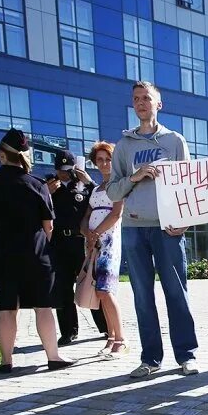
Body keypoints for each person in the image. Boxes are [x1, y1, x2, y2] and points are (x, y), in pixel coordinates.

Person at [106, 81, 199, 378]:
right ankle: (150, 359)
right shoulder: (123, 147)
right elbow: (112, 192)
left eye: (147, 98)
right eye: (136, 99)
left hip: (168, 228)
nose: (141, 103)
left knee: (176, 292)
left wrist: (185, 220)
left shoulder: (174, 141)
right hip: (134, 228)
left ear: (159, 104)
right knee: (142, 295)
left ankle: (186, 355)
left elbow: (188, 186)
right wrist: (135, 177)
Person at [0, 128, 71, 374]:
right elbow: (48, 225)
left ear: (1, 154)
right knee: (43, 307)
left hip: (4, 253)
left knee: (7, 308)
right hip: (37, 254)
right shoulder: (37, 184)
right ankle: (53, 357)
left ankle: (6, 361)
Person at [46, 149, 107, 346]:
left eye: (68, 170)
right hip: (58, 245)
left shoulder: (83, 184)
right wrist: (46, 193)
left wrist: (89, 182)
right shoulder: (47, 185)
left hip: (81, 243)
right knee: (62, 289)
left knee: (90, 285)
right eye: (61, 170)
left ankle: (105, 327)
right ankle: (68, 331)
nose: (64, 174)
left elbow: (102, 198)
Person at [82, 141, 128, 358]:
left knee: (106, 290)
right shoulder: (96, 189)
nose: (104, 163)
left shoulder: (117, 185)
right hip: (93, 245)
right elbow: (86, 215)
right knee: (99, 292)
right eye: (99, 160)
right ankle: (110, 338)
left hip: (108, 243)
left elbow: (116, 214)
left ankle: (121, 339)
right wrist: (86, 233)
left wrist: (96, 233)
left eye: (108, 159)